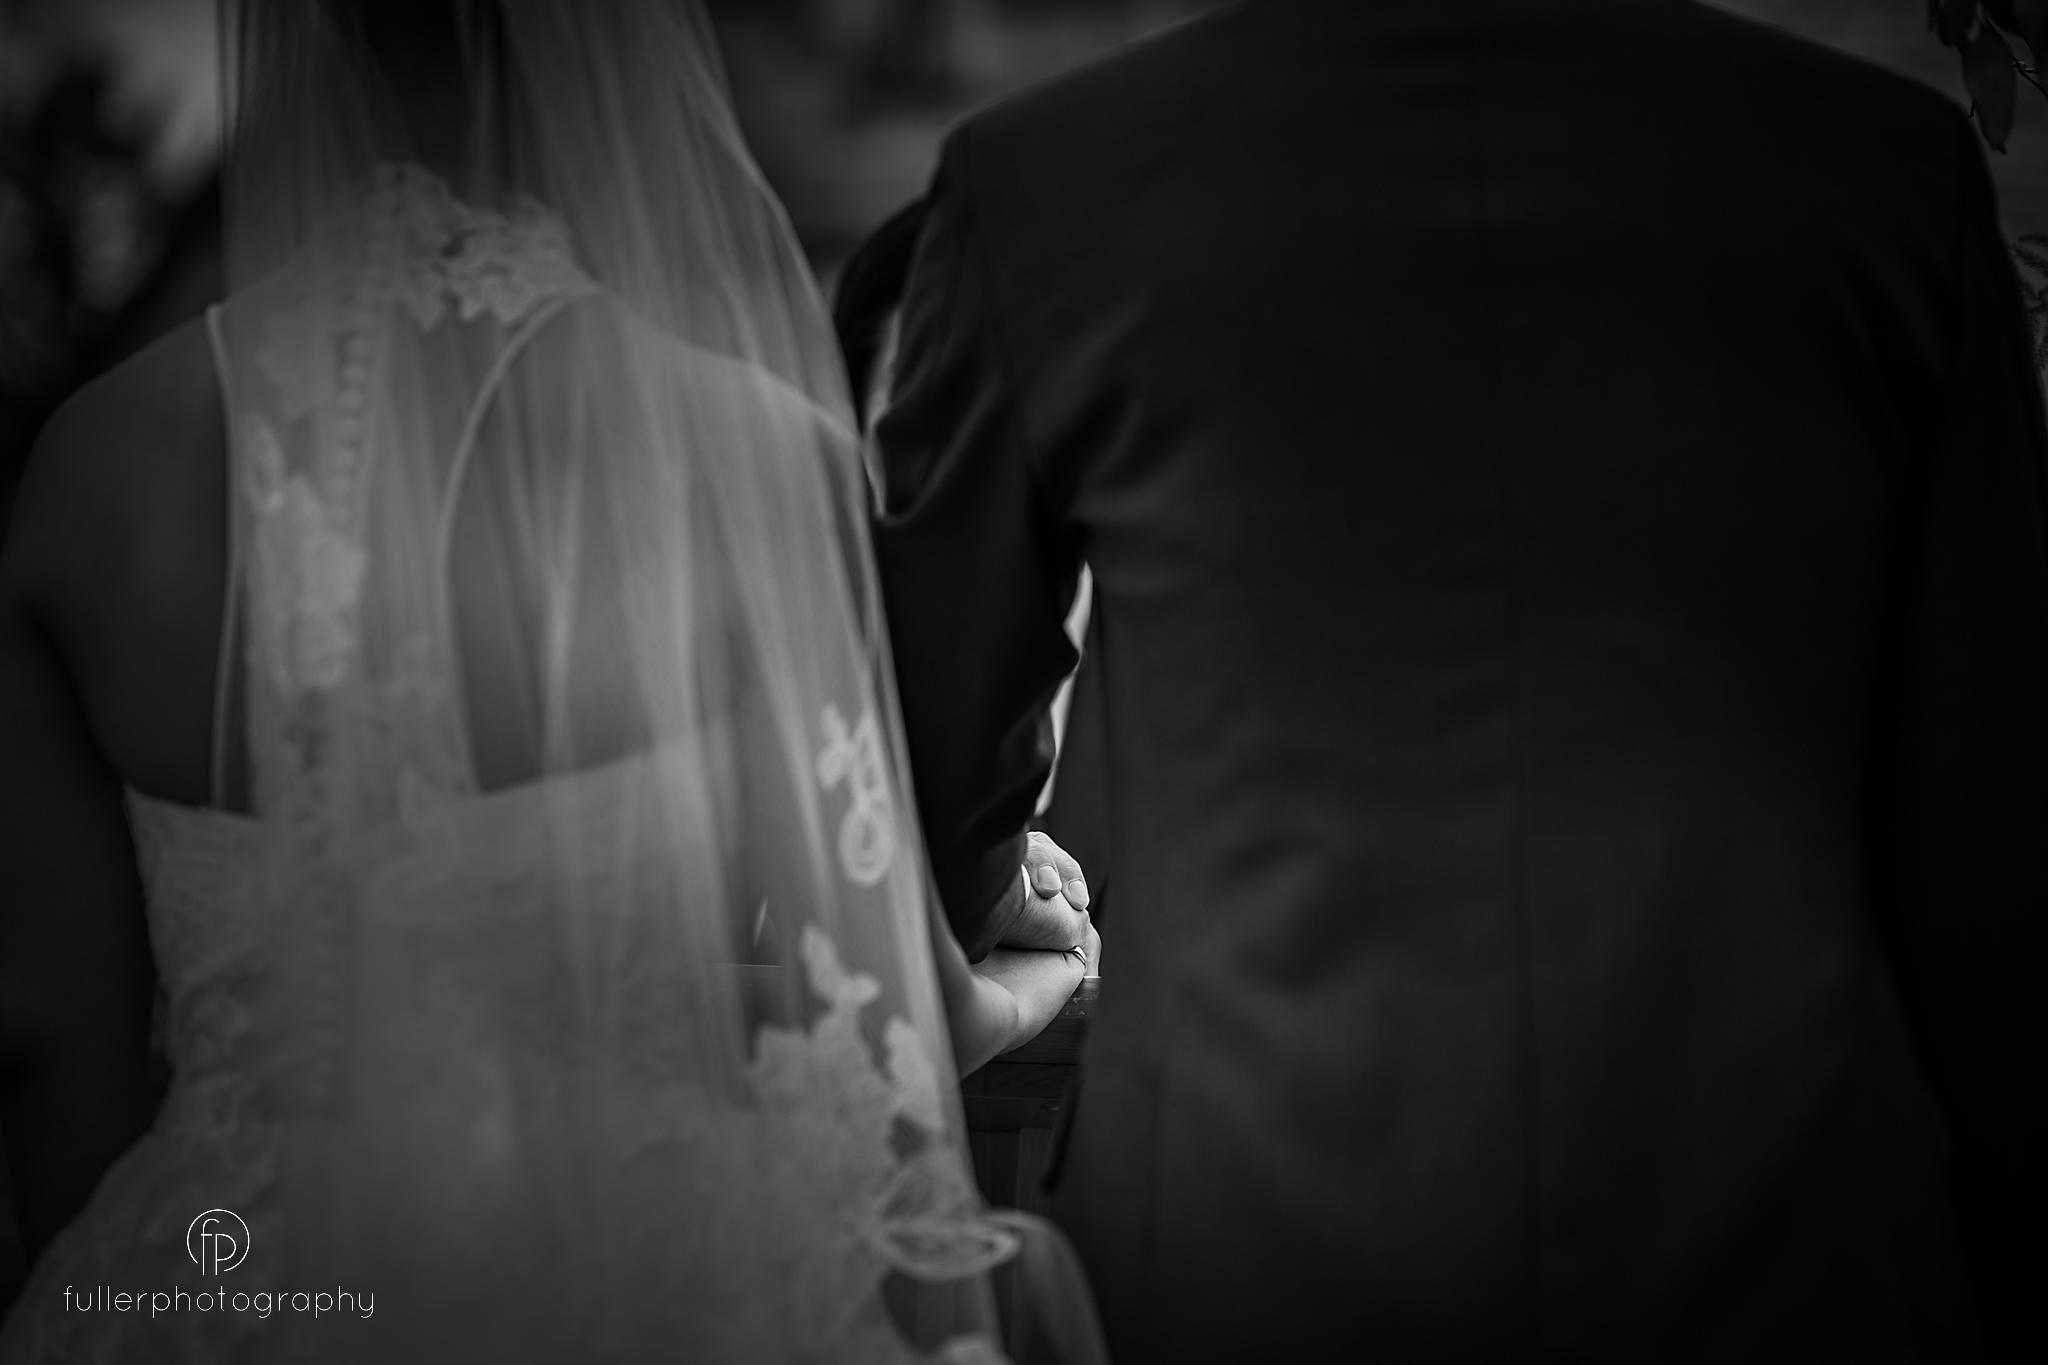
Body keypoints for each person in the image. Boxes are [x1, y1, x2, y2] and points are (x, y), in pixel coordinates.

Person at [865, 0, 2048, 1358]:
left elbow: (918, 778)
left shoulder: (1047, 190)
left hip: (1235, 1232)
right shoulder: (1887, 176)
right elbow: (1994, 838)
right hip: (1791, 1240)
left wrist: (1008, 895)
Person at [0, 2, 1104, 1359]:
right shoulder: (750, 458)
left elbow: (57, 1067)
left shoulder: (87, 476)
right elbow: (887, 1036)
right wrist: (1045, 967)